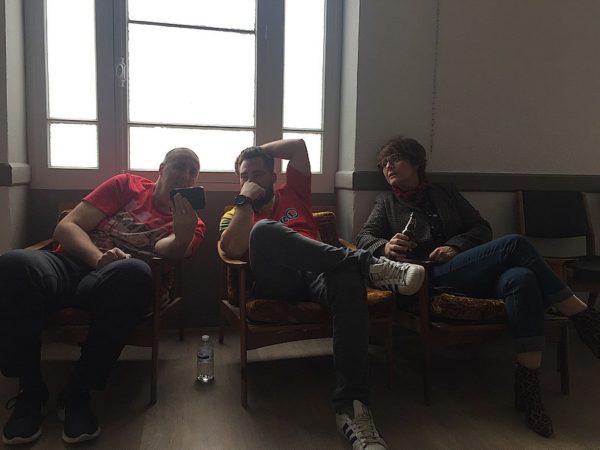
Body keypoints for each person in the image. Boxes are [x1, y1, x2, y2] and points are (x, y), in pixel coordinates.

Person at [356, 136, 600, 438]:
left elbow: (481, 228)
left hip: (466, 267)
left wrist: (455, 246)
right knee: (515, 243)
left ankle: (528, 390)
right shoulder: (386, 202)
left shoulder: (445, 192)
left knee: (522, 278)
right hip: (431, 277)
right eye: (383, 164)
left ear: (416, 162)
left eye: (394, 159)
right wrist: (386, 246)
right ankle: (582, 315)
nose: (387, 167)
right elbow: (364, 238)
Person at [219, 139, 425, 450]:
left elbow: (299, 146)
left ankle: (352, 407)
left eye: (258, 174)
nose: (251, 180)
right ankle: (368, 265)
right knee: (262, 231)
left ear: (274, 176)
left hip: (319, 273)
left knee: (347, 279)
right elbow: (232, 250)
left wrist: (259, 151)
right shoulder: (236, 212)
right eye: (244, 176)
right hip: (279, 283)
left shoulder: (294, 191)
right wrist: (245, 201)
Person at [0, 147, 206, 445]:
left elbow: (170, 250)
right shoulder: (127, 185)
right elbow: (66, 227)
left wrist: (183, 233)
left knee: (135, 271)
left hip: (115, 285)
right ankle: (30, 392)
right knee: (13, 262)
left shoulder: (193, 224)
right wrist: (98, 259)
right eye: (179, 165)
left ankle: (78, 393)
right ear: (161, 168)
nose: (185, 174)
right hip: (71, 264)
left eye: (193, 171)